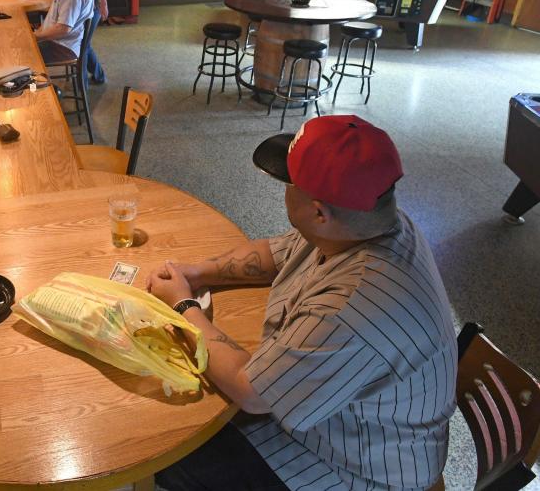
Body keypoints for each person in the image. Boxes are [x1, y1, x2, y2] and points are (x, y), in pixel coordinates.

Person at [147, 115, 457, 491]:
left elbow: (252, 392)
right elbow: (276, 253)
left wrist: (183, 307)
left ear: (318, 213)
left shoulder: (355, 307)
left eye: (289, 183)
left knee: (172, 459)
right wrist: (196, 273)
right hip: (343, 422)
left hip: (357, 467)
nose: (284, 191)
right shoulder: (369, 222)